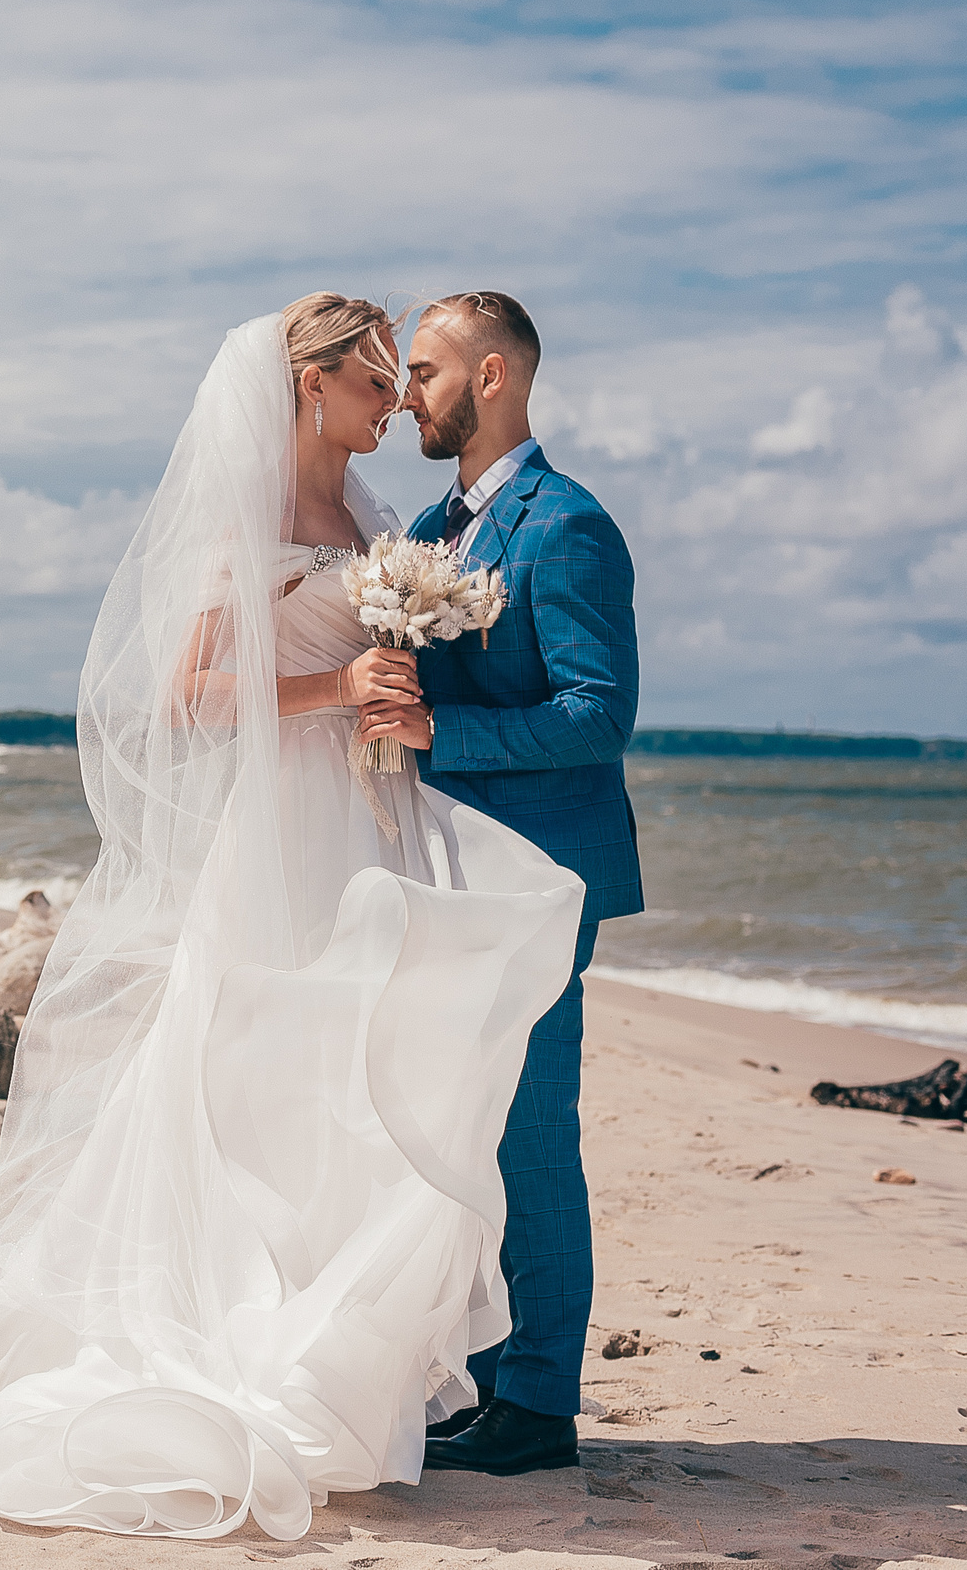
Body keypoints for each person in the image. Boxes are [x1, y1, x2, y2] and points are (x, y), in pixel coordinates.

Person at [0, 297, 589, 1538]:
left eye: (402, 375)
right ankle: (251, 1344)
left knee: (352, 1087)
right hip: (283, 829)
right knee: (264, 1080)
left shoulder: (379, 519)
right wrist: (336, 685)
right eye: (376, 376)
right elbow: (191, 692)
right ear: (311, 382)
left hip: (370, 821)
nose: (393, 398)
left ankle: (355, 1367)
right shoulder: (250, 512)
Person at [383, 291, 643, 1478]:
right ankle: (490, 1382)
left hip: (540, 878)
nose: (405, 395)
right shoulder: (437, 527)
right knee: (470, 1127)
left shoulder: (567, 525)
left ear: (493, 377)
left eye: (426, 371)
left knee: (531, 1133)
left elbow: (598, 714)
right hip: (452, 873)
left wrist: (436, 730)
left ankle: (538, 1403)